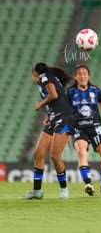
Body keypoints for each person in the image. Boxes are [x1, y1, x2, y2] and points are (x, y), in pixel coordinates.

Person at [22, 63, 75, 200]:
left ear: (35, 74)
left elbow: (54, 95)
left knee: (55, 156)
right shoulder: (50, 78)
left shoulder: (44, 78)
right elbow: (58, 101)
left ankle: (64, 189)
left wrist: (40, 104)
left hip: (64, 119)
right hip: (55, 118)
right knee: (38, 153)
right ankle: (37, 191)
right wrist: (49, 116)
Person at [67, 64, 101, 197]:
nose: (82, 76)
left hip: (96, 127)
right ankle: (88, 183)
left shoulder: (96, 90)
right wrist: (67, 130)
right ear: (75, 77)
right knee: (82, 152)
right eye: (80, 74)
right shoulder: (70, 92)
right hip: (78, 128)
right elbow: (66, 112)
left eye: (85, 73)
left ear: (88, 76)